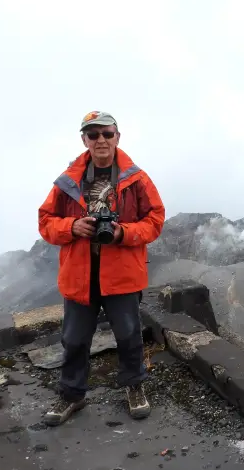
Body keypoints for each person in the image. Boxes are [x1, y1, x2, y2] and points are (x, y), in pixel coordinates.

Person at [38, 111, 165, 426]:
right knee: (75, 339)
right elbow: (45, 222)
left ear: (117, 137)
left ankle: (134, 387)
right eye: (93, 135)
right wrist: (72, 226)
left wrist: (123, 233)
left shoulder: (137, 179)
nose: (101, 141)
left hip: (122, 274)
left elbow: (155, 219)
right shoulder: (68, 180)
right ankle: (72, 395)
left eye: (107, 134)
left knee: (129, 335)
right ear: (84, 140)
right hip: (80, 275)